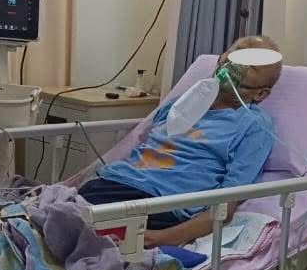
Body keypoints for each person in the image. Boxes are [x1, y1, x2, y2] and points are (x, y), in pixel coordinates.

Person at [79, 35, 282, 247]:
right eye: (235, 52)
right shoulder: (182, 103)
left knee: (76, 228)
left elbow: (226, 204)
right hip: (113, 182)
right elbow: (144, 145)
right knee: (64, 215)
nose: (235, 62)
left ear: (260, 93)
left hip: (161, 203)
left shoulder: (254, 125)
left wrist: (161, 238)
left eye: (251, 65)